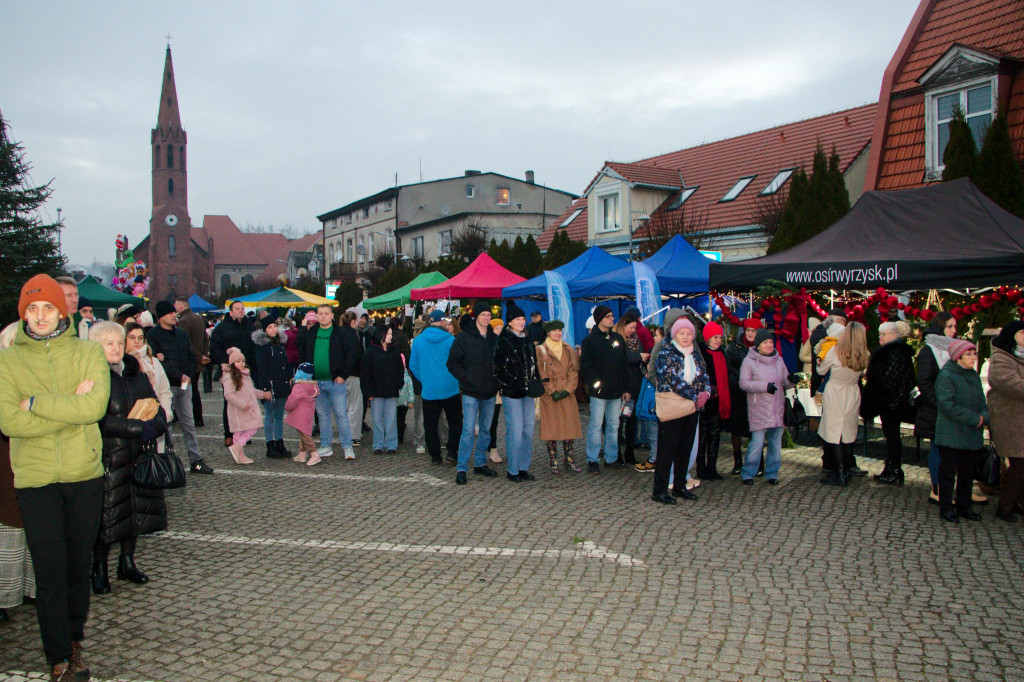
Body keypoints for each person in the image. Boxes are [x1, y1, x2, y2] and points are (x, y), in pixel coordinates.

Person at [0, 274, 110, 681]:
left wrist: (36, 403)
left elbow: (95, 407)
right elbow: (9, 420)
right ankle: (58, 657)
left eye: (48, 307)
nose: (41, 315)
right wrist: (69, 409)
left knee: (77, 567)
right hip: (36, 479)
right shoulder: (8, 360)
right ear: (23, 314)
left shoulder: (87, 352)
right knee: (49, 570)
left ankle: (75, 637)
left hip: (83, 475)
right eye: (32, 308)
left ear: (61, 310)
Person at [89, 321, 168, 596]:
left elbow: (155, 404)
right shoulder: (92, 375)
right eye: (108, 343)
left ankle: (127, 561)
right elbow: (98, 419)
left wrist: (157, 423)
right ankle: (98, 568)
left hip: (138, 454)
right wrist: (137, 428)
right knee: (108, 515)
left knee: (135, 512)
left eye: (119, 342)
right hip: (109, 456)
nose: (115, 348)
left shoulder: (136, 373)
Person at [146, 300, 212, 474]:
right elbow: (158, 363)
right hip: (165, 386)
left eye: (174, 312)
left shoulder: (181, 333)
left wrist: (189, 375)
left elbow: (190, 355)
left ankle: (195, 459)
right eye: (169, 313)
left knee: (188, 423)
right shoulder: (153, 336)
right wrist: (177, 375)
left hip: (184, 384)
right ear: (161, 317)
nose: (174, 315)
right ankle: (167, 460)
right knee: (166, 423)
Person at [651, 317, 710, 504]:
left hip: (692, 408)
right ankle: (659, 490)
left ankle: (679, 485)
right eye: (682, 333)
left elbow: (704, 375)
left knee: (685, 449)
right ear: (675, 334)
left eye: (689, 333)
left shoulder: (695, 354)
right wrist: (695, 394)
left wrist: (706, 392)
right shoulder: (665, 353)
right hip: (673, 407)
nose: (685, 336)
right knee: (667, 450)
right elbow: (670, 379)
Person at [446, 302, 500, 485]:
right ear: (476, 316)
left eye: (488, 315)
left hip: (490, 392)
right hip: (470, 391)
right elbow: (452, 363)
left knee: (486, 430)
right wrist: (467, 378)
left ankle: (480, 463)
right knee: (468, 430)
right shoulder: (464, 338)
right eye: (483, 315)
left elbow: (499, 362)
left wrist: (497, 380)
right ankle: (462, 468)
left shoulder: (493, 338)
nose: (486, 318)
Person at [934, 339, 987, 523]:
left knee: (967, 473)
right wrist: (976, 419)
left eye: (974, 354)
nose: (973, 357)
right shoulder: (946, 375)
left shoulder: (972, 374)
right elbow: (948, 405)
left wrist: (984, 416)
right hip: (952, 433)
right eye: (969, 354)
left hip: (971, 434)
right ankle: (947, 507)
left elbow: (982, 401)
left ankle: (965, 506)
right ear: (958, 357)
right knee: (948, 472)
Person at [861, 321, 916, 485]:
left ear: (893, 334)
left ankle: (893, 469)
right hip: (895, 401)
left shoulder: (893, 352)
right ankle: (892, 468)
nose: (880, 338)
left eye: (883, 334)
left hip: (891, 402)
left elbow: (889, 378)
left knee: (892, 437)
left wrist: (873, 380)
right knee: (892, 437)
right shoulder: (900, 351)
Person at [739, 328, 796, 485]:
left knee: (775, 444)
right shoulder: (748, 361)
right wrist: (764, 386)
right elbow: (743, 383)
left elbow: (786, 381)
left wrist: (791, 380)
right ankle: (748, 473)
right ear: (758, 345)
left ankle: (772, 473)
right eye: (765, 342)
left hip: (777, 408)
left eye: (771, 341)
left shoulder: (779, 360)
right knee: (757, 443)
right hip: (759, 409)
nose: (769, 345)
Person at [579, 305, 632, 473]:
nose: (612, 318)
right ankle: (592, 459)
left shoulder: (618, 338)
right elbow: (586, 366)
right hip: (599, 393)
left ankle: (611, 458)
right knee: (595, 425)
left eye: (612, 315)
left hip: (616, 391)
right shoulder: (589, 341)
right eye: (608, 316)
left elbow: (624, 365)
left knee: (613, 425)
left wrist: (626, 388)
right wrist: (597, 384)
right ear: (599, 319)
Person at [493, 304, 543, 481]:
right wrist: (513, 382)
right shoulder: (503, 341)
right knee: (515, 431)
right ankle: (512, 470)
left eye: (523, 319)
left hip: (528, 392)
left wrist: (534, 379)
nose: (521, 322)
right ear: (510, 322)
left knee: (528, 430)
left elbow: (533, 364)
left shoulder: (527, 340)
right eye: (517, 320)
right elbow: (498, 369)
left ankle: (523, 467)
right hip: (512, 393)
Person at [302, 304, 357, 460]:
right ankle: (326, 446)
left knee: (341, 414)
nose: (323, 316)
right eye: (320, 314)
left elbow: (351, 354)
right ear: (317, 316)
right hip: (316, 382)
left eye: (326, 313)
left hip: (336, 382)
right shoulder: (312, 332)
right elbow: (304, 353)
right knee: (323, 415)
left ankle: (347, 447)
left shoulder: (340, 333)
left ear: (332, 315)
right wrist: (308, 376)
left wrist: (343, 375)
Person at [818, 321, 869, 487]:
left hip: (835, 392)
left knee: (835, 434)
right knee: (847, 433)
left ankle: (839, 473)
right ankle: (845, 470)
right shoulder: (865, 353)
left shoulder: (836, 350)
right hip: (852, 392)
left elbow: (821, 370)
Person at [915, 311, 958, 504]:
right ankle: (937, 488)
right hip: (935, 408)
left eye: (955, 327)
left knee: (948, 449)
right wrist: (940, 404)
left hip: (950, 406)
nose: (954, 331)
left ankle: (947, 487)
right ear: (940, 327)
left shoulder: (954, 349)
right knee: (937, 447)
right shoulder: (929, 350)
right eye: (950, 326)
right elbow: (924, 382)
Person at [411, 310, 463, 465]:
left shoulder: (418, 341)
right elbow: (458, 362)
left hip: (429, 389)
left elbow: (413, 365)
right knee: (455, 421)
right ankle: (452, 451)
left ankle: (435, 455)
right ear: (441, 322)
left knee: (430, 423)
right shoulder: (450, 340)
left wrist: (424, 379)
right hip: (450, 388)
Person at [986, 321, 1024, 522]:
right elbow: (1011, 383)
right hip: (1010, 421)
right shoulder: (1000, 358)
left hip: (1020, 420)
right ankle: (1005, 505)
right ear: (1012, 335)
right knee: (1019, 464)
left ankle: (1017, 501)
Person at [535, 320, 582, 473]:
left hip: (567, 395)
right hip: (549, 396)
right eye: (554, 331)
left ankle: (569, 458)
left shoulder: (569, 350)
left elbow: (573, 372)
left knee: (569, 428)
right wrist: (552, 391)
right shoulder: (541, 350)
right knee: (551, 429)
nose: (557, 333)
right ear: (548, 332)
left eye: (559, 330)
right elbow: (542, 373)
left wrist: (567, 390)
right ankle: (553, 459)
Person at [209, 301, 256, 447]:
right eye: (237, 309)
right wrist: (225, 362)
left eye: (242, 308)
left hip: (247, 370)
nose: (241, 311)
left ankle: (244, 433)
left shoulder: (250, 327)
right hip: (230, 371)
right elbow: (214, 348)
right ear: (231, 312)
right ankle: (229, 434)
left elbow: (255, 346)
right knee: (230, 402)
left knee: (247, 402)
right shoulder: (222, 328)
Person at [124, 322, 173, 454]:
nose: (137, 341)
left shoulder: (153, 361)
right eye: (132, 337)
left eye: (140, 338)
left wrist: (165, 413)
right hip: (132, 423)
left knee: (156, 462)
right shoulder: (121, 363)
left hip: (155, 421)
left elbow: (164, 390)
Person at [252, 312, 294, 459]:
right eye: (269, 327)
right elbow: (261, 368)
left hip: (282, 384)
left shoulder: (280, 343)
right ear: (264, 330)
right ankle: (270, 445)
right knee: (269, 414)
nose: (273, 329)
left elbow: (285, 363)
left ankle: (280, 442)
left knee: (279, 416)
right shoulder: (261, 345)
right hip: (269, 385)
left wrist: (290, 377)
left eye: (274, 326)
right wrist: (265, 389)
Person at [725, 319, 762, 475]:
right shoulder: (734, 348)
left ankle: (758, 463)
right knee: (737, 429)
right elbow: (729, 368)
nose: (751, 333)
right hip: (739, 394)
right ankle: (738, 461)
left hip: (757, 395)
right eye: (748, 330)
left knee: (756, 430)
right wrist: (741, 380)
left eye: (754, 331)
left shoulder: (763, 348)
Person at [361, 325, 405, 455]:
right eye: (389, 334)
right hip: (376, 392)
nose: (391, 336)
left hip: (391, 391)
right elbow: (365, 373)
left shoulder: (395, 351)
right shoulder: (370, 352)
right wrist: (368, 392)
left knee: (391, 419)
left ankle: (391, 444)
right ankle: (378, 444)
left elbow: (399, 369)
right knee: (377, 420)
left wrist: (399, 384)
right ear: (382, 335)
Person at [222, 347, 269, 465]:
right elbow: (228, 394)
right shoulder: (229, 376)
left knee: (244, 430)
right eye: (238, 361)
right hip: (239, 409)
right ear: (232, 363)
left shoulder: (245, 375)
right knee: (248, 428)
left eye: (242, 361)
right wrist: (243, 404)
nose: (241, 363)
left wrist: (262, 394)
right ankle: (237, 447)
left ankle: (239, 454)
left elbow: (251, 390)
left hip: (247, 408)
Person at [613, 312, 648, 466]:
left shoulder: (635, 340)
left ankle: (630, 452)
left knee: (632, 421)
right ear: (624, 325)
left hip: (635, 385)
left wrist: (641, 357)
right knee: (618, 421)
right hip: (622, 386)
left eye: (635, 327)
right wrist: (640, 356)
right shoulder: (616, 339)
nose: (634, 330)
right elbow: (623, 358)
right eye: (631, 327)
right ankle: (616, 453)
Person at [697, 321, 730, 480]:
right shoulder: (702, 355)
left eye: (719, 337)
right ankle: (701, 468)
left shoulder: (721, 354)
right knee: (703, 436)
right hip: (705, 402)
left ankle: (712, 467)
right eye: (715, 337)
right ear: (708, 338)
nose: (718, 340)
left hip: (718, 401)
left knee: (715, 436)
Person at [174, 296, 210, 428]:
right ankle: (198, 418)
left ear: (182, 306)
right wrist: (204, 354)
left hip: (190, 361)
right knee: (194, 390)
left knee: (187, 390)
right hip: (198, 360)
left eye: (176, 305)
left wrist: (199, 356)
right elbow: (206, 338)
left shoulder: (184, 320)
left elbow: (186, 342)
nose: (175, 308)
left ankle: (186, 416)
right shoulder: (198, 318)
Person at [286, 364, 321, 466]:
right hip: (308, 414)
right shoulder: (313, 386)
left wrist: (287, 407)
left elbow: (292, 400)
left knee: (305, 435)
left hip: (300, 415)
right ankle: (302, 453)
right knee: (303, 432)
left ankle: (314, 454)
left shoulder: (299, 386)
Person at [340, 312, 365, 447]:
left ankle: (344, 434)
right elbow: (355, 355)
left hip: (341, 375)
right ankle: (353, 435)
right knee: (355, 406)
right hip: (353, 373)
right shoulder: (353, 335)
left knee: (344, 406)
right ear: (353, 321)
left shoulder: (339, 333)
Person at [809, 308, 847, 394]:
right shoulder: (821, 331)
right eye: (843, 321)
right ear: (838, 319)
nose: (843, 324)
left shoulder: (819, 331)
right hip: (822, 380)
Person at [487, 317, 505, 463]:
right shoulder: (489, 344)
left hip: (504, 388)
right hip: (491, 387)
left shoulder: (506, 343)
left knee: (495, 420)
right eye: (497, 328)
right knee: (491, 421)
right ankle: (492, 448)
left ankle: (493, 448)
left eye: (501, 327)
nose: (500, 330)